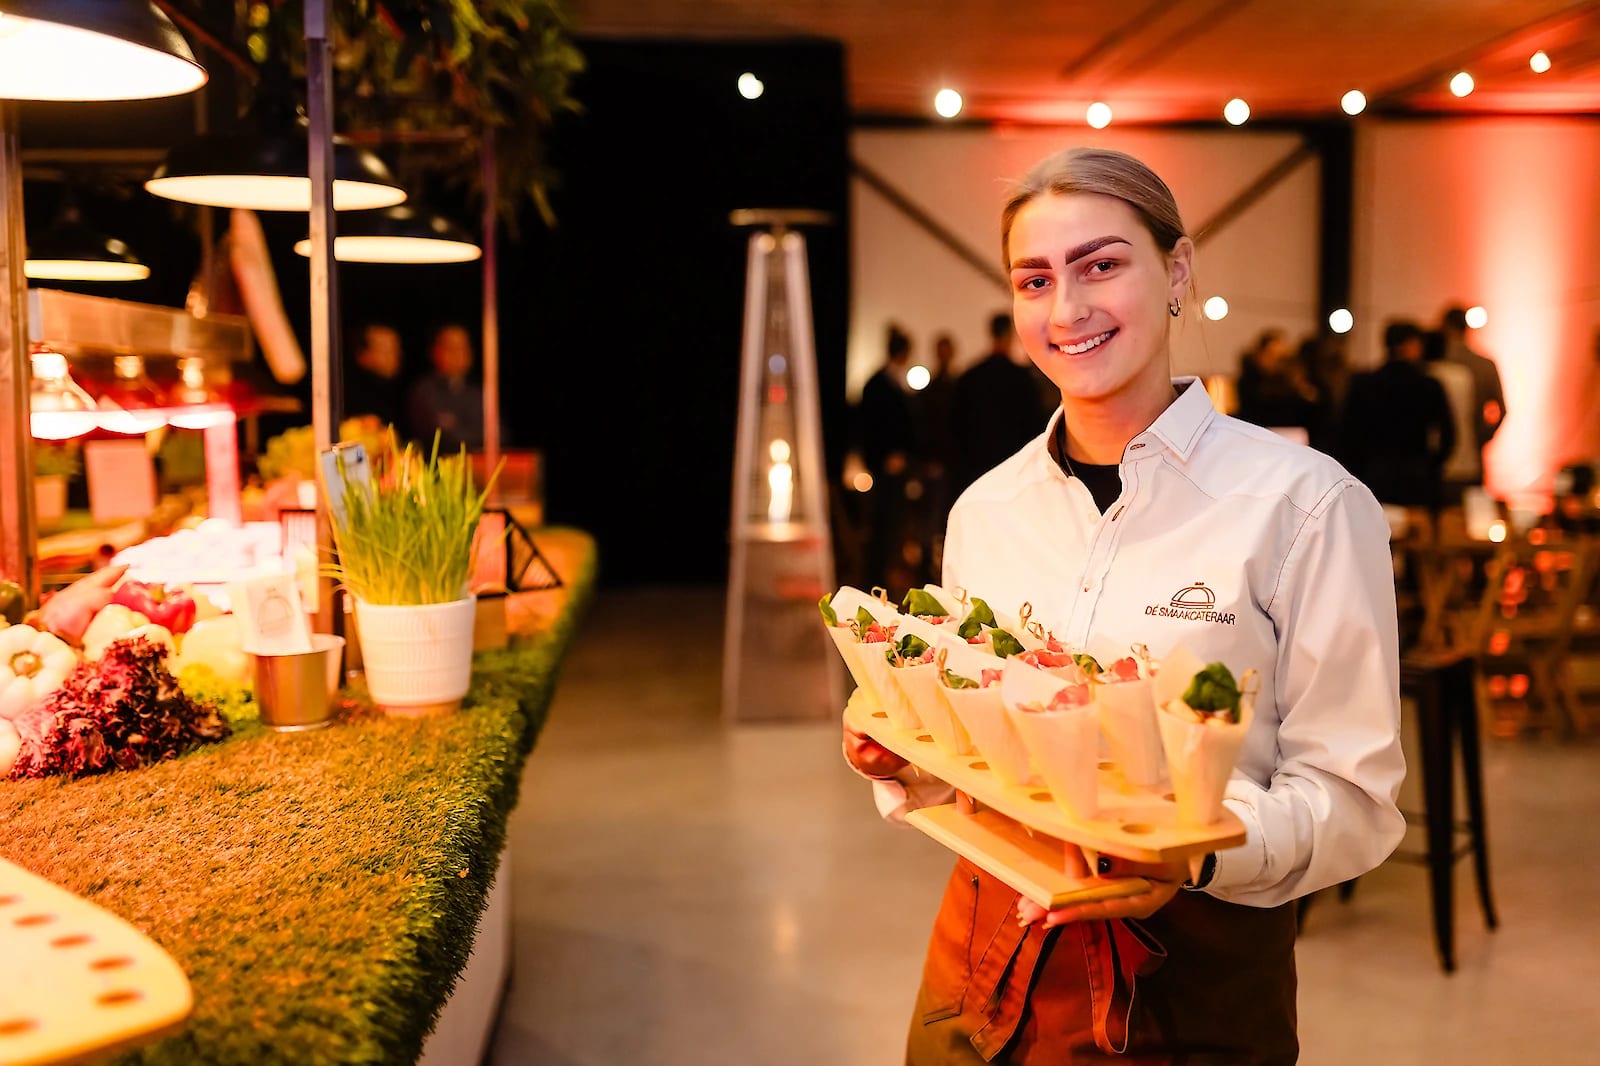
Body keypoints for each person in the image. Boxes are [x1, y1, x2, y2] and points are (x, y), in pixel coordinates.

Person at [842, 146, 1405, 1064]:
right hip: (978, 971)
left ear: (1177, 271)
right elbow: (979, 761)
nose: (1067, 310)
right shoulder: (987, 510)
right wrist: (902, 751)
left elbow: (1353, 801)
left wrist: (1192, 851)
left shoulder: (1305, 506)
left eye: (1102, 265)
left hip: (1191, 988)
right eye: (1036, 279)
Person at [1339, 321, 1456, 511]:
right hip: (1416, 474)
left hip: (1374, 473)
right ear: (1409, 345)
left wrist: (1358, 468)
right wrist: (1432, 466)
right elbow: (1448, 434)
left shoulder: (1364, 383)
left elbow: (1347, 433)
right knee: (1417, 534)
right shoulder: (1428, 385)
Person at [952, 313, 1050, 495]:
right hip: (1012, 465)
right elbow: (1034, 425)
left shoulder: (970, 377)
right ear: (1010, 335)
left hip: (975, 467)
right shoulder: (1021, 378)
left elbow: (956, 424)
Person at [857, 324, 920, 587]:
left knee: (892, 524)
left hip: (893, 464)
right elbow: (870, 426)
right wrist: (884, 458)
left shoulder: (886, 381)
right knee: (883, 524)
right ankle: (875, 578)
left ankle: (882, 575)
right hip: (885, 466)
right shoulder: (880, 384)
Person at [1439, 306, 1506, 468]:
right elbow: (1502, 409)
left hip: (1440, 457)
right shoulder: (1484, 365)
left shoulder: (1437, 365)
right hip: (1473, 454)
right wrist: (1481, 437)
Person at [1420, 328, 1481, 503]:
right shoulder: (1464, 375)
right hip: (1468, 460)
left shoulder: (1426, 378)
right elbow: (1474, 415)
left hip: (1435, 465)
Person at [407, 323, 485, 452]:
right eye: (450, 348)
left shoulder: (478, 393)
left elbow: (498, 435)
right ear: (435, 351)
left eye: (462, 348)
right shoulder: (423, 391)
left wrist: (457, 427)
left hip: (477, 465)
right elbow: (439, 435)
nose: (457, 354)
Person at [1234, 327, 1320, 443]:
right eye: (1272, 354)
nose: (1276, 361)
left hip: (1290, 439)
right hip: (1259, 439)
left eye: (1281, 357)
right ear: (1261, 354)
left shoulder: (1291, 381)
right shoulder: (1249, 382)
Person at [343, 322, 406, 429]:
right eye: (386, 351)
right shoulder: (349, 395)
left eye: (396, 349)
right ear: (362, 355)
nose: (395, 356)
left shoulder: (403, 391)